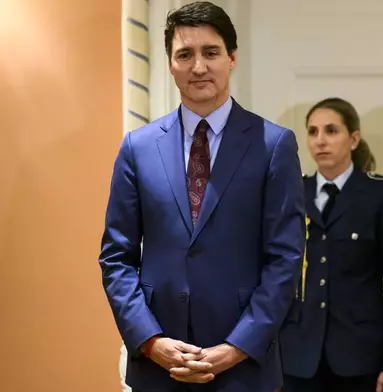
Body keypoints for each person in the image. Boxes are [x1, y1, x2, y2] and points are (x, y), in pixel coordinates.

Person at [99, 2, 305, 391]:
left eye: (210, 53)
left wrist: (236, 346)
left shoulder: (274, 144)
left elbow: (286, 259)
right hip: (159, 365)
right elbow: (116, 257)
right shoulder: (137, 148)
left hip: (244, 367)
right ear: (171, 64)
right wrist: (151, 340)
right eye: (185, 55)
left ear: (231, 58)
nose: (198, 67)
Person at [279, 97, 383, 392]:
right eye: (312, 132)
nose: (320, 141)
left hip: (360, 357)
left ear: (353, 139)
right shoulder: (292, 193)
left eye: (331, 131)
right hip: (298, 355)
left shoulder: (381, 196)